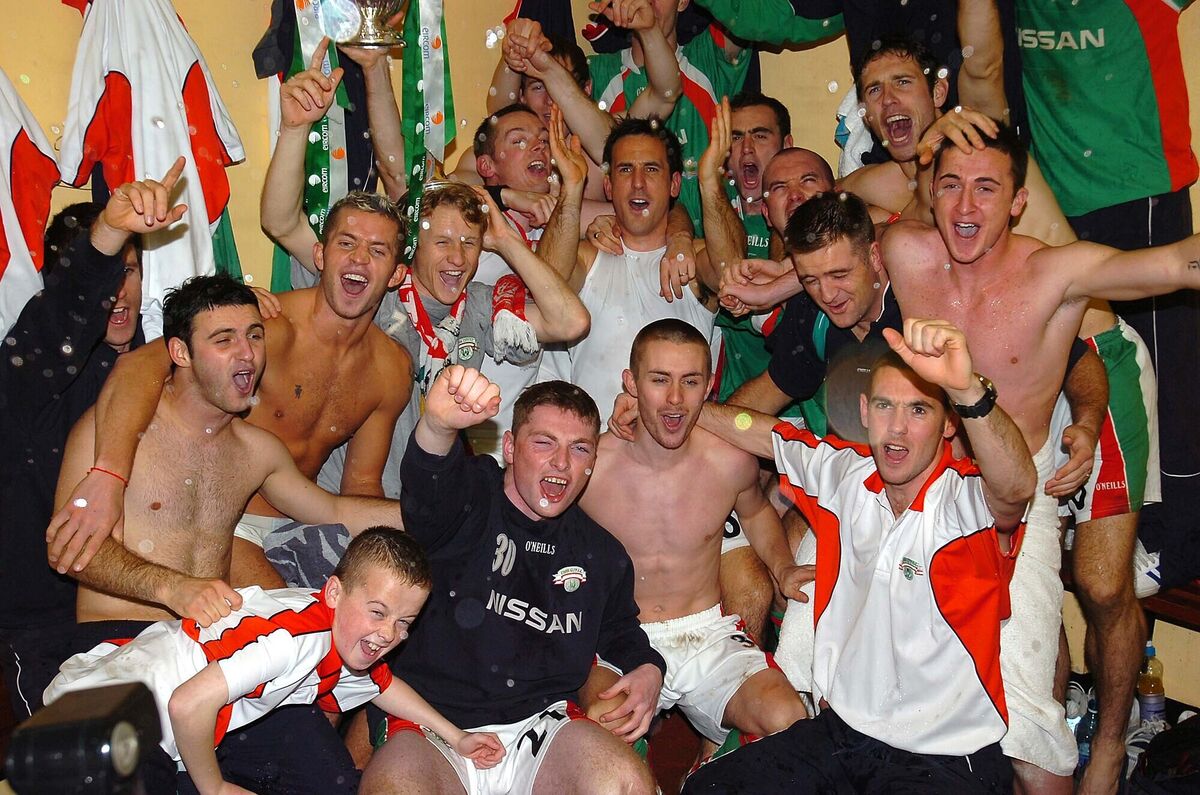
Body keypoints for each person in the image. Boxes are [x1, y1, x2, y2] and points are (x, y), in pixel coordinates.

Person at [882, 128, 1200, 793]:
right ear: (928, 191)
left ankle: (1106, 745)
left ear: (1019, 201)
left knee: (1025, 720)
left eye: (987, 187)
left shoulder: (1058, 272)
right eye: (950, 184)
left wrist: (1084, 422)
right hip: (923, 492)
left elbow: (1177, 265)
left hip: (1018, 499)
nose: (966, 205)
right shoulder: (904, 253)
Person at [31, 274, 402, 730]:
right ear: (181, 353)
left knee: (324, 772)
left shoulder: (256, 451)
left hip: (212, 649)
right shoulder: (115, 431)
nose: (246, 354)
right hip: (115, 645)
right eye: (224, 340)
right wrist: (172, 588)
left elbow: (335, 511)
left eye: (254, 336)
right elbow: (70, 554)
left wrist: (434, 514)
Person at [681, 318, 1035, 793]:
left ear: (950, 423)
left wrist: (968, 388)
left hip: (947, 756)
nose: (897, 429)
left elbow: (1016, 488)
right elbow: (762, 433)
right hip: (843, 737)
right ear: (864, 410)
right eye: (886, 406)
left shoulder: (965, 502)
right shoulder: (844, 474)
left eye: (919, 410)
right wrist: (684, 407)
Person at [59, 185, 413, 592]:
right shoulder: (264, 329)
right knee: (290, 633)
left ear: (396, 275)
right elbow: (140, 364)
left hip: (309, 518)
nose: (359, 259)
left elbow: (362, 487)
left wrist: (421, 528)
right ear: (320, 255)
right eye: (347, 243)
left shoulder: (391, 369)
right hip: (228, 521)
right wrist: (109, 474)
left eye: (378, 250)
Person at [360, 368, 664, 794]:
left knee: (624, 784)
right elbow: (429, 488)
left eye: (579, 449)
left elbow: (619, 630)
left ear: (593, 462)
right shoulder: (468, 499)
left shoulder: (602, 553)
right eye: (544, 442)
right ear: (509, 447)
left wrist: (650, 667)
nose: (561, 463)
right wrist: (436, 425)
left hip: (540, 725)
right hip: (432, 722)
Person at [44, 527, 505, 794]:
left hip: (152, 717)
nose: (389, 634)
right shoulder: (298, 640)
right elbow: (187, 704)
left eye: (406, 623)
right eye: (379, 612)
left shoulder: (341, 633)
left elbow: (385, 688)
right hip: (107, 716)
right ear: (334, 592)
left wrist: (457, 736)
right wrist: (216, 789)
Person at [1016, 0, 1200, 604]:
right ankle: (1109, 514)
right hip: (1058, 200)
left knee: (1168, 371)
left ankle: (1182, 538)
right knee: (1093, 359)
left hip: (1139, 185)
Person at [579, 319, 809, 751]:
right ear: (630, 383)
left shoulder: (729, 460)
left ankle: (711, 771)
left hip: (707, 633)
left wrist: (784, 567)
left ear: (709, 387)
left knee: (788, 717)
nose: (674, 399)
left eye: (689, 381)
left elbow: (757, 512)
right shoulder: (594, 464)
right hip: (620, 634)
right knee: (600, 728)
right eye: (659, 380)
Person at [0, 191, 147, 717]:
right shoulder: (30, 371)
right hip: (40, 629)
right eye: (109, 274)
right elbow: (68, 309)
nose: (118, 291)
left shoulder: (164, 363)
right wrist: (104, 239)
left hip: (142, 618)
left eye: (130, 271)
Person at [538, 116, 717, 427]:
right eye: (624, 170)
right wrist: (573, 186)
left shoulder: (694, 255)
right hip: (595, 457)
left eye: (651, 169)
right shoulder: (586, 255)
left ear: (674, 183)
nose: (637, 182)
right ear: (608, 186)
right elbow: (546, 286)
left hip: (679, 455)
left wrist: (710, 181)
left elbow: (728, 263)